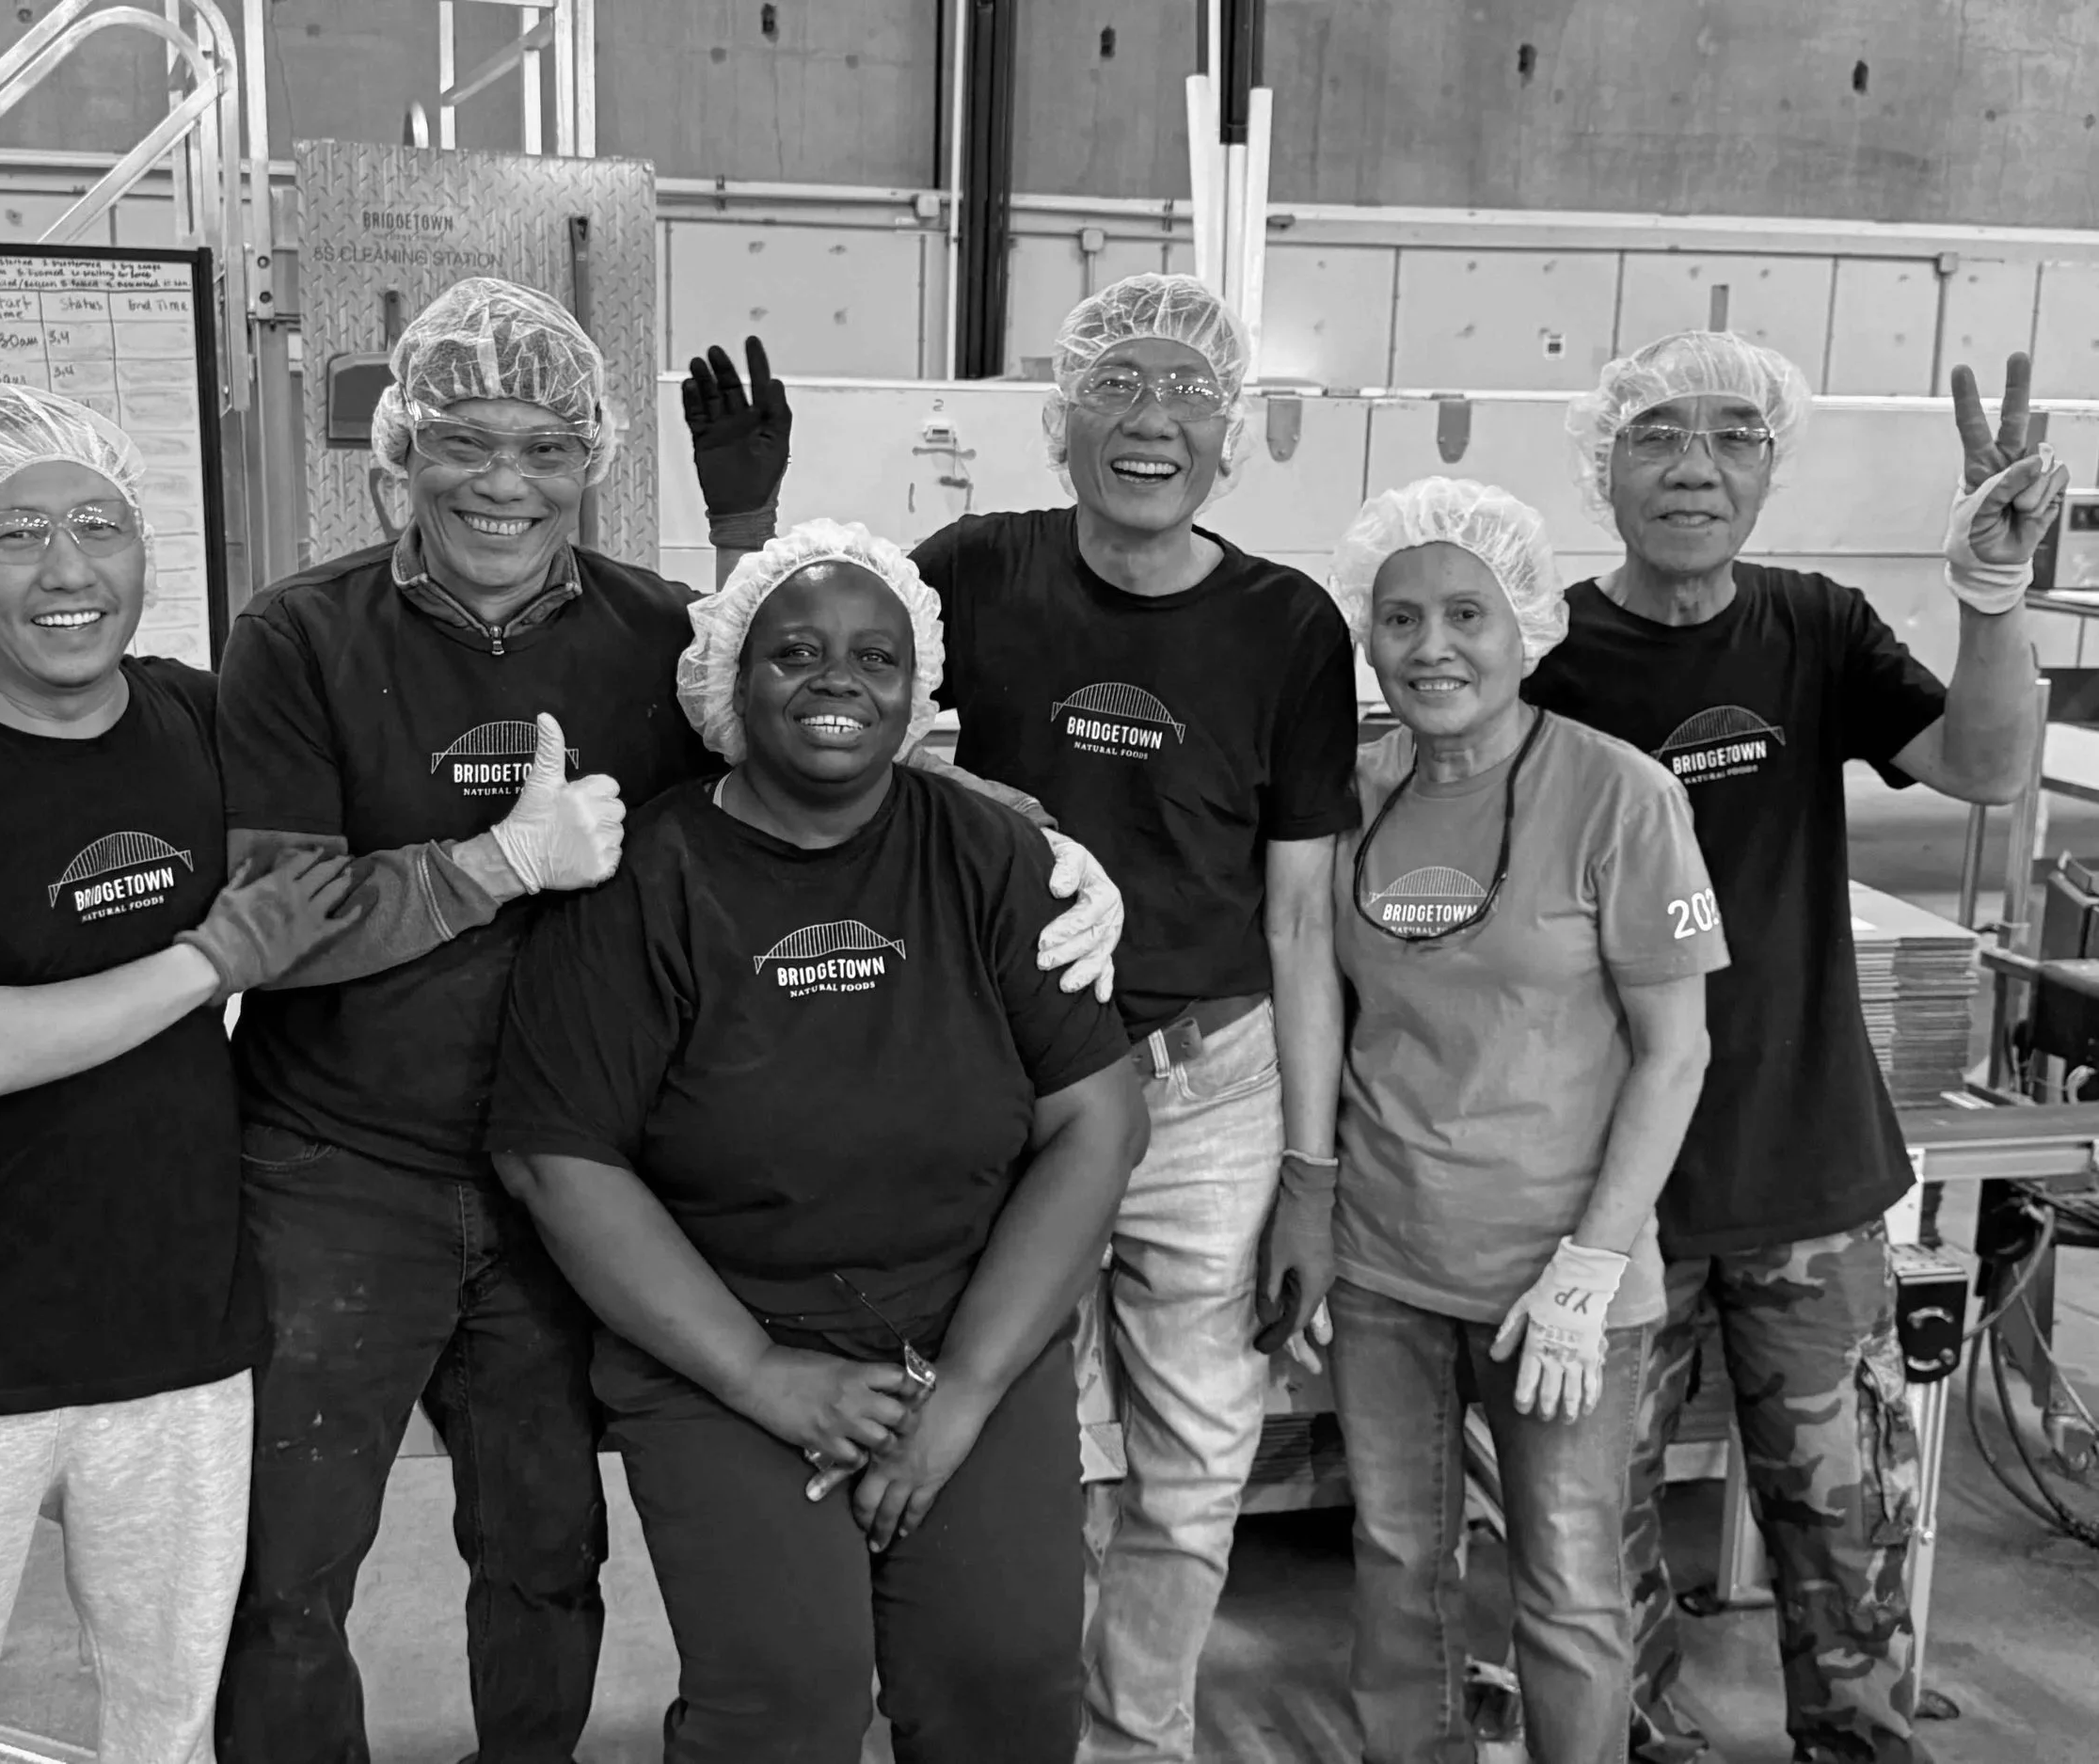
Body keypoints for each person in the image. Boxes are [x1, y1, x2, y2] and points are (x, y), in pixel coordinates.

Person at [212, 278, 1124, 1764]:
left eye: (547, 446)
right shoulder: (300, 639)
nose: (505, 482)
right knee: (290, 1568)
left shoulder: (647, 632)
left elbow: (818, 724)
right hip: (343, 1173)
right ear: (398, 452)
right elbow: (270, 920)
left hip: (568, 1188)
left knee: (542, 1550)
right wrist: (492, 866)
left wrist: (1041, 841)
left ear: (594, 460)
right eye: (463, 442)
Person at [687, 272, 1360, 1763]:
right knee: (1004, 1442)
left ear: (1230, 435)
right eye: (1118, 387)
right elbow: (826, 723)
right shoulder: (978, 574)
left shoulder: (1290, 626)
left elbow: (1304, 915)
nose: (1152, 421)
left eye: (1189, 393)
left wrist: (1309, 1168)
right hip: (1006, 1091)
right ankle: (995, 1724)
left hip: (1212, 1086)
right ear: (1061, 424)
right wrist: (753, 528)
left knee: (1193, 1466)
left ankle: (1138, 1740)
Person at [487, 519, 1148, 1762]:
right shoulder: (649, 882)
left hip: (966, 1328)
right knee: (789, 1694)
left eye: (877, 656)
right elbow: (557, 1155)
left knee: (1006, 1679)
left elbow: (1096, 1120)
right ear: (730, 683)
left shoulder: (991, 856)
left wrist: (963, 1393)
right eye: (794, 651)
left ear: (919, 689)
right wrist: (754, 1370)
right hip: (727, 1341)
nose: (839, 678)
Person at [0, 385, 353, 1764]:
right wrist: (205, 960)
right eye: (16, 532)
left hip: (178, 1344)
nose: (67, 570)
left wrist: (513, 851)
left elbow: (348, 877)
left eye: (99, 523)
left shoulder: (203, 722)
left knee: (165, 1720)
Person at [1525, 333, 2062, 1764]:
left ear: (1771, 466)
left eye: (1733, 437)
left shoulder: (1812, 626)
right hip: (1604, 1191)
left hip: (1809, 1169)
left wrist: (1992, 597)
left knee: (1848, 1528)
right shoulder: (1545, 652)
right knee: (1595, 1539)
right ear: (1605, 463)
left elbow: (1987, 765)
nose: (1694, 465)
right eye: (1656, 435)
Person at [1325, 478, 1723, 1764]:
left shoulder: (1622, 796)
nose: (1430, 647)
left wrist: (1592, 1265)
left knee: (1566, 1578)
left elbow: (1675, 1052)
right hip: (1383, 1257)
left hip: (1559, 1278)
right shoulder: (1349, 791)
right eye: (1399, 618)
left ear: (1529, 623)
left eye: (1464, 613)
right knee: (1395, 1562)